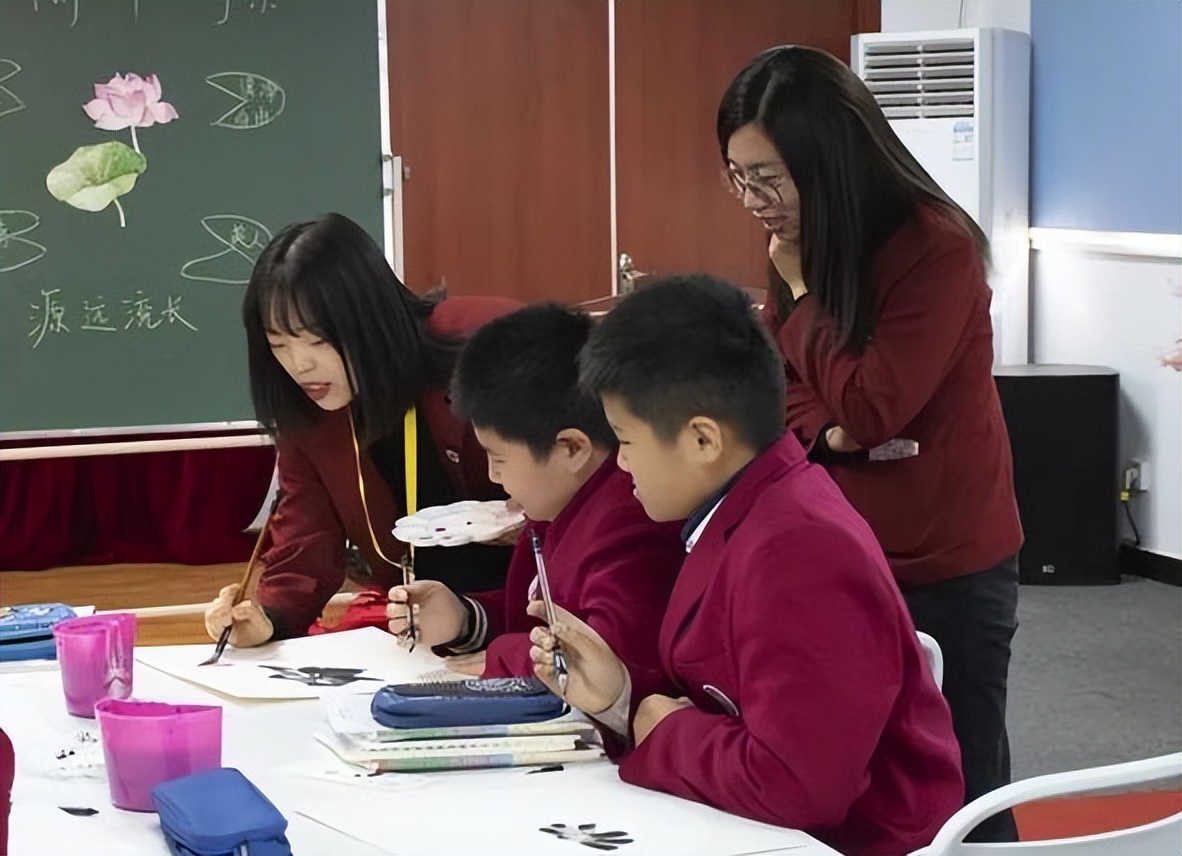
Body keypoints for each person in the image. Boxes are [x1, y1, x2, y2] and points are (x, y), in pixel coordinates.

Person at [529, 276, 963, 856]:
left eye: (628, 442)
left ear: (704, 440)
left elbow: (797, 785)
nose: (622, 465)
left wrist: (655, 727)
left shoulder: (799, 548)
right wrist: (622, 697)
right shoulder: (750, 507)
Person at [716, 46, 1024, 841]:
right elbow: (786, 382)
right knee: (853, 772)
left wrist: (805, 294)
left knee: (963, 779)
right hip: (845, 546)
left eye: (768, 178)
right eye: (738, 176)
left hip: (945, 555)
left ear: (831, 163)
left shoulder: (935, 247)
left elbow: (877, 405)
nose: (754, 200)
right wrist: (833, 428)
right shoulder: (798, 235)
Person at [203, 213, 519, 647]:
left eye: (316, 341)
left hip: (531, 613)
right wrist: (266, 618)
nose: (299, 365)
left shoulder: (481, 346)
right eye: (279, 344)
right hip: (421, 627)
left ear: (370, 320)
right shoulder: (309, 411)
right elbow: (304, 545)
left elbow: (573, 498)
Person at [387, 304, 682, 694]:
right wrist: (465, 618)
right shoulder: (562, 503)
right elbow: (535, 615)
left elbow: (606, 663)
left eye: (499, 457)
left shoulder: (629, 519)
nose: (493, 476)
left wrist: (508, 656)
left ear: (572, 449)